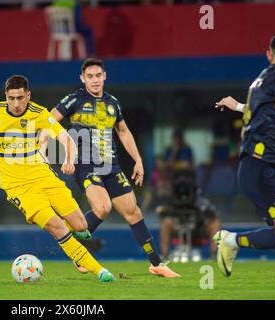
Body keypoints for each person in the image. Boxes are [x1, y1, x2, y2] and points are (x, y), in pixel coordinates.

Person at [0, 75, 115, 282]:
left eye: (20, 98)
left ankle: (74, 242)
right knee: (58, 227)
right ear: (6, 96)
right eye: (11, 98)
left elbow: (66, 139)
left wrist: (69, 160)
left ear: (28, 96)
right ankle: (100, 271)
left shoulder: (40, 114)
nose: (16, 104)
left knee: (81, 225)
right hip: (18, 188)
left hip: (44, 177)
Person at [42, 58, 181, 278]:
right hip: (85, 164)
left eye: (98, 75)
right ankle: (79, 250)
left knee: (133, 212)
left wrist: (138, 160)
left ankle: (157, 264)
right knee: (103, 208)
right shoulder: (74, 100)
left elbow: (123, 132)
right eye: (90, 76)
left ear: (104, 76)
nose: (95, 80)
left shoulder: (113, 103)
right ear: (83, 79)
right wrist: (61, 154)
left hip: (111, 166)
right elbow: (48, 122)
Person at [214, 32, 275, 277]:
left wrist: (238, 106)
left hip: (259, 166)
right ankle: (231, 241)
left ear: (268, 54)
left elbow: (255, 120)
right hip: (263, 168)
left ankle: (231, 242)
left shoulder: (261, 80)